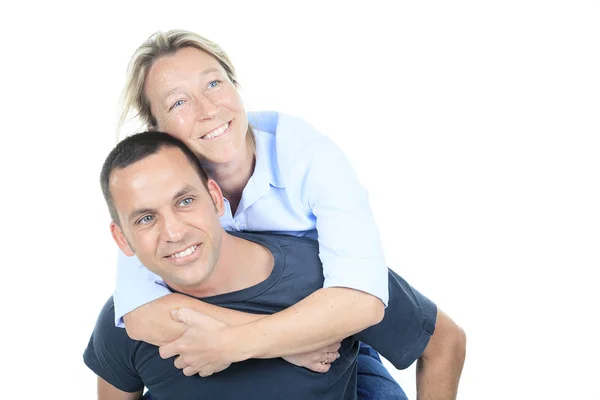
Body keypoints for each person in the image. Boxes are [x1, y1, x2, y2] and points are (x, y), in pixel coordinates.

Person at [114, 29, 466, 399]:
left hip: (331, 344)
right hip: (230, 340)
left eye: (214, 84)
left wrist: (236, 343)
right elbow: (140, 313)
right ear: (156, 131)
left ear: (235, 86)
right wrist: (279, 344)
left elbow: (362, 300)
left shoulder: (308, 157)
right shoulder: (154, 190)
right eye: (178, 103)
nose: (207, 110)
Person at [85, 131, 439, 399]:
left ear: (214, 197)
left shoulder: (324, 277)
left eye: (186, 201)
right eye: (146, 218)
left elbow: (442, 344)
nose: (173, 232)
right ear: (122, 239)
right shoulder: (126, 323)